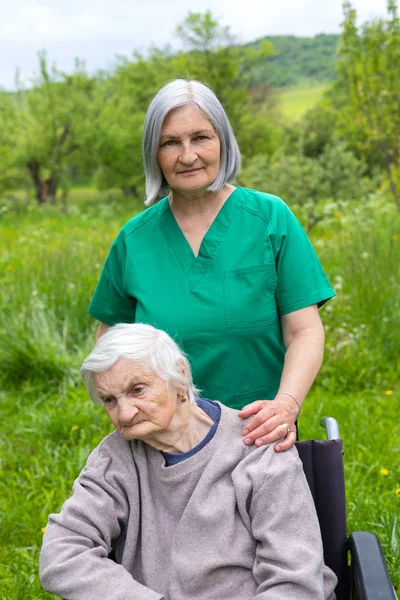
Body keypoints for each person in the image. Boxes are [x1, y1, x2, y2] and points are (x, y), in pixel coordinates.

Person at [88, 79, 335, 452]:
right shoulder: (133, 240)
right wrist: (137, 407)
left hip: (256, 431)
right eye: (170, 142)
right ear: (153, 153)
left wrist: (285, 405)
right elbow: (110, 344)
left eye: (201, 137)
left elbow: (304, 332)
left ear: (223, 141)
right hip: (164, 441)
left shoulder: (270, 219)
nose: (187, 156)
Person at [40, 323, 337, 600]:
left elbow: (295, 583)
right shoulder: (115, 458)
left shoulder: (257, 445)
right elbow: (62, 553)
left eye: (137, 389)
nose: (125, 413)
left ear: (179, 377)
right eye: (109, 400)